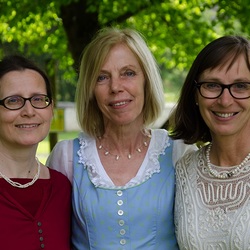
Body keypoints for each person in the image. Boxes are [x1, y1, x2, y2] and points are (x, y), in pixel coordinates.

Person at [46, 27, 196, 250]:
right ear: (90, 89)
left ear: (146, 80)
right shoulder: (67, 157)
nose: (116, 87)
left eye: (128, 73)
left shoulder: (179, 152)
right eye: (102, 77)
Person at [168, 35, 250, 249]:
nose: (225, 100)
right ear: (195, 94)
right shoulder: (183, 169)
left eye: (241, 86)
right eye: (212, 85)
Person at [0, 55, 71, 249]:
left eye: (38, 99)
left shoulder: (63, 188)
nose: (29, 111)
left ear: (51, 109)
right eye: (13, 100)